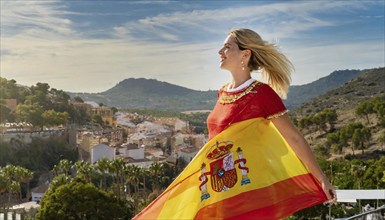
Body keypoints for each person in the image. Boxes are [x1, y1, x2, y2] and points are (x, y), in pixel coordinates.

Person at [207, 28, 336, 201]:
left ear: (245, 55)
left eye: (227, 47)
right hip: (218, 183)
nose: (220, 51)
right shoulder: (222, 92)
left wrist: (322, 179)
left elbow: (293, 138)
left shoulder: (262, 93)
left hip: (245, 188)